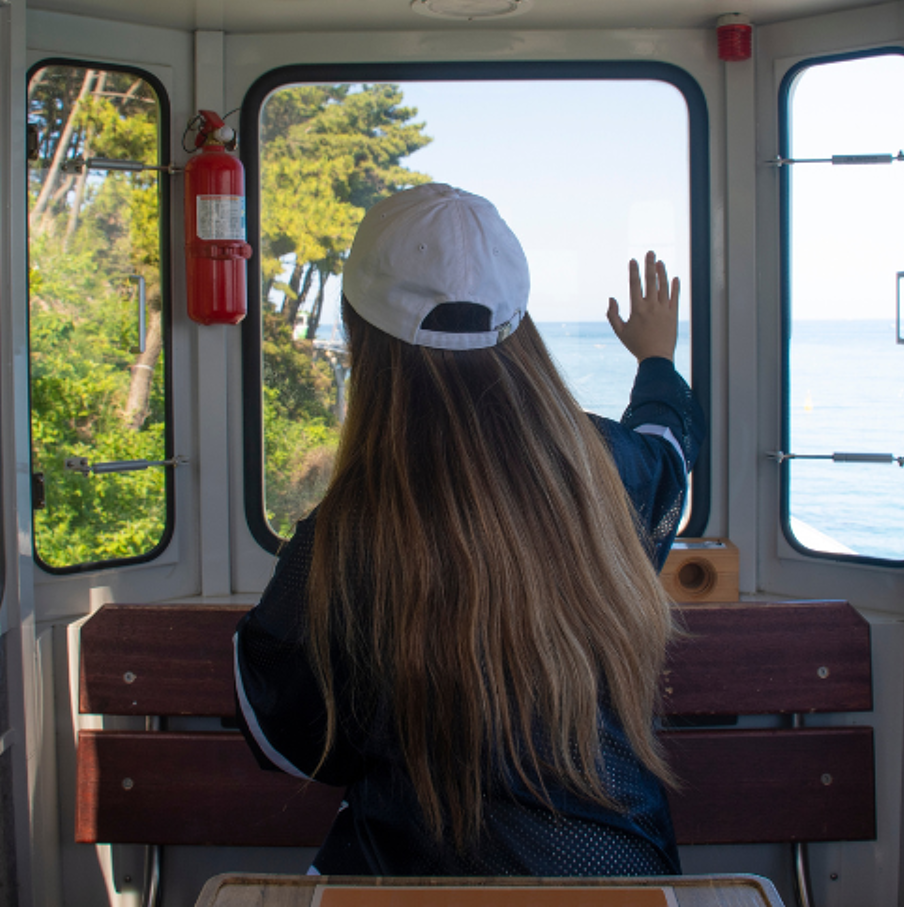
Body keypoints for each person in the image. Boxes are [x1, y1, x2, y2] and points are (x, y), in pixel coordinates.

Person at [234, 183, 701, 878]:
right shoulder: (602, 474)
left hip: (407, 879)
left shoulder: (342, 539)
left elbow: (288, 739)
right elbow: (666, 446)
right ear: (520, 324)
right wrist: (656, 359)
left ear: (359, 335)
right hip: (622, 873)